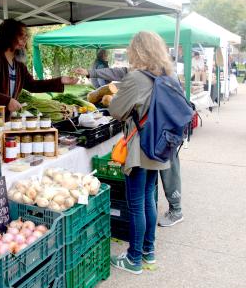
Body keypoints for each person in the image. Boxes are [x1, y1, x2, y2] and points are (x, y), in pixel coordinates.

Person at [78, 31, 173, 275]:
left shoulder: (137, 78)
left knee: (136, 204)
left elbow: (118, 110)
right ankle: (148, 253)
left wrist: (112, 98)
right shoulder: (168, 76)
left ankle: (133, 258)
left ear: (137, 51)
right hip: (160, 147)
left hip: (139, 148)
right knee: (150, 200)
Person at [74, 64, 184, 228]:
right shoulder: (140, 70)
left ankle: (176, 210)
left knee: (167, 170)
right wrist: (90, 72)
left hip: (164, 131)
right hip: (156, 130)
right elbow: (118, 72)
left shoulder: (166, 74)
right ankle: (148, 245)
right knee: (149, 189)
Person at [0, 19, 78, 119]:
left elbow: (32, 85)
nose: (25, 40)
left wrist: (61, 80)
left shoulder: (18, 64)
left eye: (26, 36)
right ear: (8, 37)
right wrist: (7, 101)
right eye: (21, 36)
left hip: (2, 118)